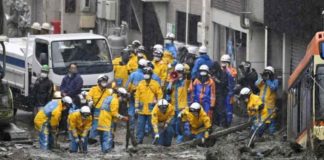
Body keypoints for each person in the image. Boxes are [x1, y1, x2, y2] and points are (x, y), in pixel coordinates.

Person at [135, 69, 163, 144]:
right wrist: (136, 107)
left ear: (151, 75)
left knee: (153, 125)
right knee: (140, 126)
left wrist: (158, 105)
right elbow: (137, 96)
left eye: (147, 74)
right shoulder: (140, 84)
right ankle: (139, 140)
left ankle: (155, 140)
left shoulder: (155, 84)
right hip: (141, 109)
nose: (146, 75)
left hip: (152, 109)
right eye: (145, 74)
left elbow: (160, 95)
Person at [97, 88, 129, 153]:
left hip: (101, 119)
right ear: (119, 95)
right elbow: (114, 113)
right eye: (123, 97)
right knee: (108, 136)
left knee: (102, 137)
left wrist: (115, 122)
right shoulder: (115, 100)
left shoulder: (108, 97)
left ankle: (104, 150)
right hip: (107, 121)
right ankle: (107, 151)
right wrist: (123, 117)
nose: (123, 99)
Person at [166, 63, 191, 143]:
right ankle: (174, 138)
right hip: (173, 107)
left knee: (180, 125)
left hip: (182, 107)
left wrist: (185, 75)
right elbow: (168, 91)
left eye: (180, 72)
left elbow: (189, 80)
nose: (178, 74)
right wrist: (171, 82)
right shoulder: (173, 82)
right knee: (172, 123)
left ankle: (180, 141)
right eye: (177, 72)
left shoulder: (185, 82)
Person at [125, 59, 148, 134]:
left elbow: (127, 85)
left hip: (132, 94)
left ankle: (131, 128)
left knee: (131, 110)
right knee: (141, 112)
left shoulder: (133, 74)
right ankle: (141, 130)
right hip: (142, 96)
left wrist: (127, 92)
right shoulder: (145, 75)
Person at [86, 75, 112, 140]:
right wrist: (90, 100)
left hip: (105, 111)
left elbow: (111, 100)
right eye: (103, 81)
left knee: (105, 125)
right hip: (97, 110)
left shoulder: (107, 91)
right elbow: (88, 96)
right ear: (99, 82)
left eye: (105, 82)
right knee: (95, 124)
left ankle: (103, 138)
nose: (104, 83)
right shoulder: (93, 89)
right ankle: (92, 138)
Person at [255, 66, 278, 135]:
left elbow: (273, 88)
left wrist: (268, 80)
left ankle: (272, 134)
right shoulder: (263, 82)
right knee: (261, 120)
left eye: (268, 73)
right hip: (262, 105)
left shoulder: (275, 81)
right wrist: (262, 78)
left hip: (270, 105)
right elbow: (256, 84)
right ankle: (260, 133)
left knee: (271, 119)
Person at [210, 61, 228, 127]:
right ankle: (216, 124)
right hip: (213, 93)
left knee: (221, 110)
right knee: (214, 110)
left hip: (220, 93)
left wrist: (216, 79)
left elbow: (224, 84)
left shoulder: (223, 73)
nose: (213, 70)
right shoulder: (212, 72)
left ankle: (224, 125)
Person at [220, 54, 236, 127]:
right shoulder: (220, 70)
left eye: (225, 62)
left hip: (229, 93)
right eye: (222, 62)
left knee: (229, 110)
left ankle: (228, 125)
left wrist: (227, 70)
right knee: (221, 109)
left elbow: (233, 77)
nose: (224, 64)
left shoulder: (232, 70)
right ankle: (222, 125)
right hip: (221, 93)